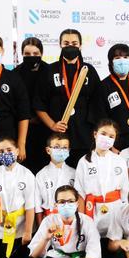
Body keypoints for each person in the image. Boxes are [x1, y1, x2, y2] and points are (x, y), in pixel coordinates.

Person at [33, 28, 101, 166]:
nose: (70, 46)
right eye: (66, 43)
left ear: (80, 46)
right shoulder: (49, 70)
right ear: (60, 45)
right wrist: (52, 124)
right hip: (57, 138)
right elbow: (38, 103)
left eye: (74, 43)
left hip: (83, 136)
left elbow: (98, 103)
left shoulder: (88, 70)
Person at [25, 185, 103, 258]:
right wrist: (46, 238)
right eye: (61, 202)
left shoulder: (87, 221)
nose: (66, 205)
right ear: (56, 205)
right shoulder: (49, 220)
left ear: (77, 203)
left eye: (70, 201)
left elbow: (93, 255)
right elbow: (33, 255)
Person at [74, 119, 129, 237]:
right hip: (93, 210)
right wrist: (82, 219)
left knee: (114, 247)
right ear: (95, 134)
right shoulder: (84, 161)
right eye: (103, 134)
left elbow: (125, 192)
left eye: (111, 136)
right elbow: (80, 194)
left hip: (115, 211)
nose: (106, 138)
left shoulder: (119, 160)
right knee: (94, 247)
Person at [18, 37, 53, 174]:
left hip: (48, 127)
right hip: (25, 130)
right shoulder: (16, 74)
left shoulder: (50, 71)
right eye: (27, 54)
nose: (31, 57)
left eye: (35, 54)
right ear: (22, 54)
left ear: (41, 54)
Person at [35, 131, 76, 225]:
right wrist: (41, 227)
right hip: (49, 220)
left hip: (71, 221)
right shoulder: (41, 175)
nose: (61, 150)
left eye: (64, 147)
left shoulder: (74, 173)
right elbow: (37, 205)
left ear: (69, 150)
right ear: (48, 150)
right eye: (57, 147)